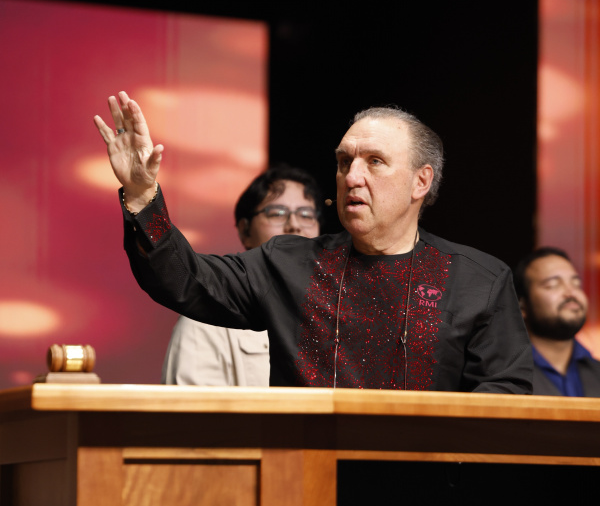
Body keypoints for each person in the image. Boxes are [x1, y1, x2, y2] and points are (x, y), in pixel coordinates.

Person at [94, 92, 532, 393]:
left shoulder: (479, 281)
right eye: (344, 162)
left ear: (421, 181)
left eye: (374, 161)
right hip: (303, 485)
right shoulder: (288, 264)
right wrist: (142, 195)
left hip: (428, 490)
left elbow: (503, 400)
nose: (352, 177)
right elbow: (184, 280)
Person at [161, 165, 322, 387]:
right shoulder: (208, 317)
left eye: (306, 215)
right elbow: (191, 408)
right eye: (277, 213)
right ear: (245, 230)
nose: (294, 225)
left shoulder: (336, 309)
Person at [513, 247, 600, 396]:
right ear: (523, 306)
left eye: (576, 283)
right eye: (553, 285)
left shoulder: (596, 371)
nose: (571, 293)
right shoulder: (502, 373)